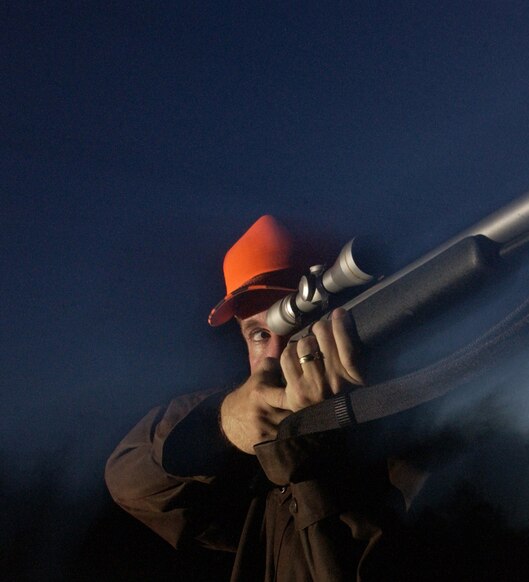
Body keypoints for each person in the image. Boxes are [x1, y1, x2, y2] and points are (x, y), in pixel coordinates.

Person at [106, 215, 426, 581]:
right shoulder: (249, 467)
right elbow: (128, 479)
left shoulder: (409, 437)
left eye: (294, 322)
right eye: (258, 333)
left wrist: (317, 438)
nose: (275, 352)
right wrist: (221, 428)